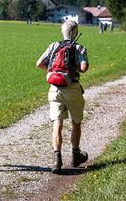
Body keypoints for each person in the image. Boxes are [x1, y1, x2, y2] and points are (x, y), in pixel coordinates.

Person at [36, 20, 89, 174]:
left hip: (54, 89)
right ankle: (75, 155)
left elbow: (39, 63)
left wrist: (53, 72)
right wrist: (74, 69)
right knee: (76, 122)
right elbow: (84, 68)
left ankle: (56, 160)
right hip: (72, 88)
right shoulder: (79, 47)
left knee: (57, 124)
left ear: (63, 32)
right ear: (75, 32)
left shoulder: (53, 46)